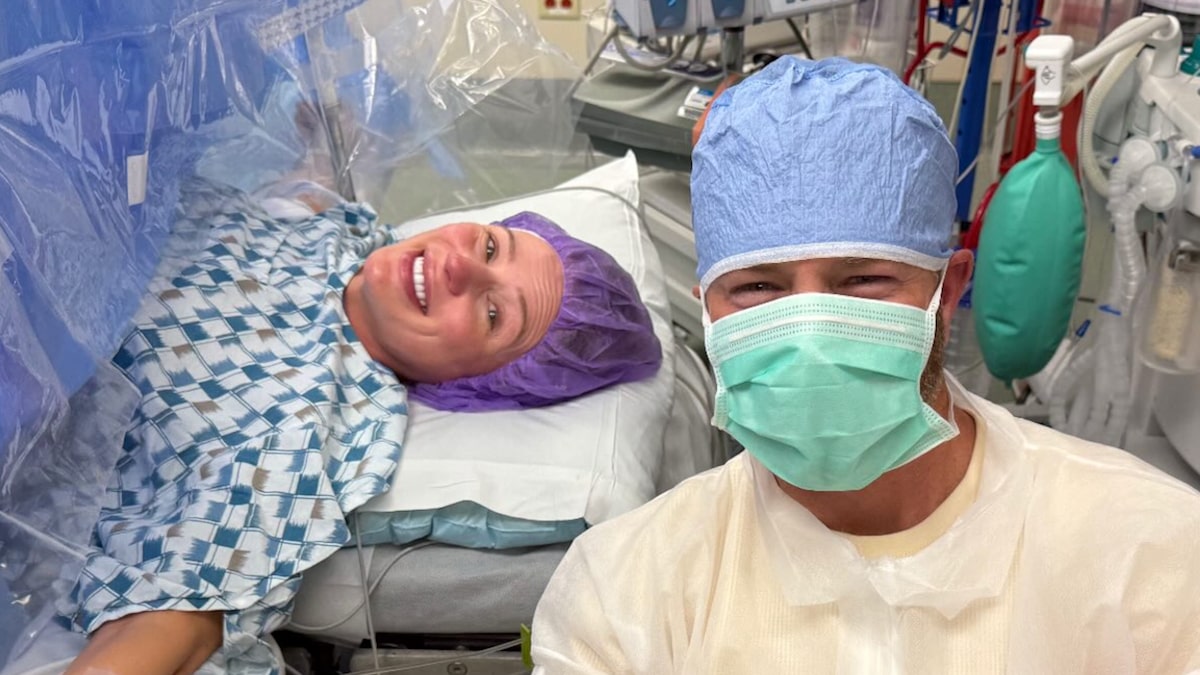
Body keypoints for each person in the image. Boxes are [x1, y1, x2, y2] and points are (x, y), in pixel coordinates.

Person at [530, 56, 1200, 673]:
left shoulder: (1150, 556)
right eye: (758, 287)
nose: (811, 330)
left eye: (862, 281)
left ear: (949, 292)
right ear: (708, 309)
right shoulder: (624, 595)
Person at [60, 178, 661, 674]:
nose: (457, 264)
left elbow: (173, 623)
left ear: (475, 384)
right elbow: (305, 192)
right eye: (489, 246)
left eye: (493, 313)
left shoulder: (297, 437)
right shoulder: (345, 233)